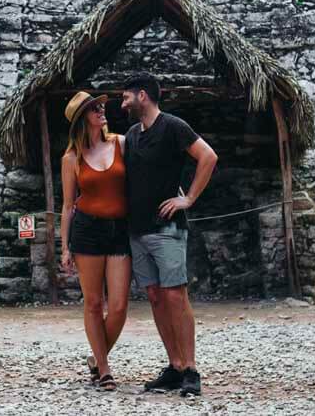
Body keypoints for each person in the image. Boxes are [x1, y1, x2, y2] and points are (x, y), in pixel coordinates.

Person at [121, 72, 218, 398]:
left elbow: (208, 156)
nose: (123, 103)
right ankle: (175, 366)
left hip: (168, 230)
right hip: (138, 231)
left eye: (126, 97)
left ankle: (190, 369)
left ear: (143, 96)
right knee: (155, 297)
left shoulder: (174, 126)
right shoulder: (132, 135)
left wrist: (187, 198)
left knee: (176, 296)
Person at [60, 90, 131, 392]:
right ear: (82, 119)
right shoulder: (71, 158)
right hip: (87, 231)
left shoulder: (121, 143)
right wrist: (64, 246)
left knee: (118, 306)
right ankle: (103, 369)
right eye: (94, 108)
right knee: (93, 303)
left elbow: (141, 179)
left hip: (119, 230)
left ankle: (95, 358)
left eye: (101, 106)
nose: (102, 110)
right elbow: (66, 205)